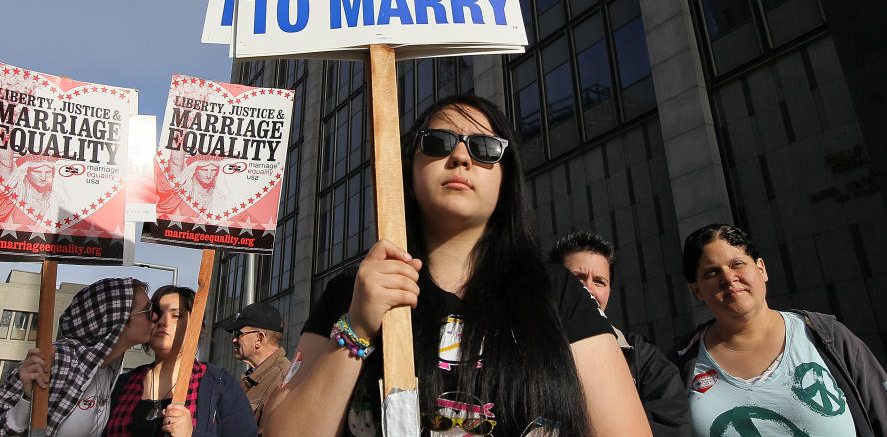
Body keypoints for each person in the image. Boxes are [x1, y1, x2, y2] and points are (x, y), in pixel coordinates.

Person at [263, 94, 651, 436]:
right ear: (408, 171)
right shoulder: (351, 290)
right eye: (438, 143)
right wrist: (357, 328)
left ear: (507, 177)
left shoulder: (558, 292)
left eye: (485, 148)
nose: (461, 156)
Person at [674, 223, 887, 436]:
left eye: (737, 264)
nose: (729, 278)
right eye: (712, 272)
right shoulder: (680, 364)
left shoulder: (827, 337)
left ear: (761, 269)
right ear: (696, 290)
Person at [0, 277, 154, 436]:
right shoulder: (59, 359)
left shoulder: (108, 371)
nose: (154, 317)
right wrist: (26, 400)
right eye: (147, 311)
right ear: (115, 317)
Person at [550, 231, 690, 436]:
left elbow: (671, 425)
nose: (588, 289)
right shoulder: (518, 353)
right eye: (577, 279)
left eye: (599, 281)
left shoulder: (644, 359)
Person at [104, 285, 256, 437]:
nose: (162, 321)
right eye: (157, 313)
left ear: (196, 327)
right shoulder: (122, 384)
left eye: (176, 316)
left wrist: (192, 434)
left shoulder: (219, 384)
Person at [222, 301, 292, 427]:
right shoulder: (255, 377)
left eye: (238, 334)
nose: (234, 340)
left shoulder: (283, 378)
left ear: (259, 338)